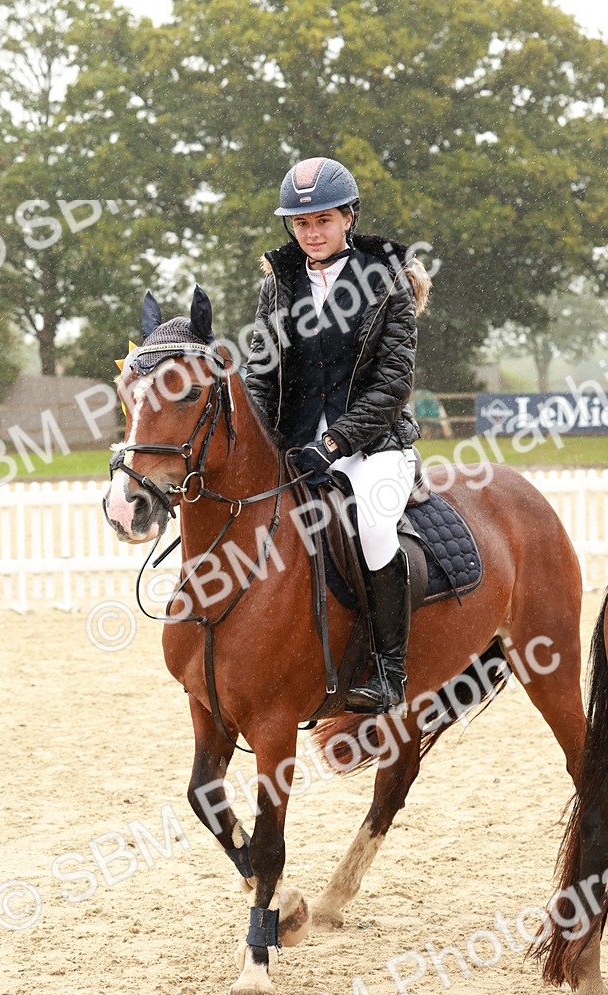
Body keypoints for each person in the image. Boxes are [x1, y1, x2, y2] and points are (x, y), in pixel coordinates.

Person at [246, 156, 430, 716]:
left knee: (372, 526)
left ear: (348, 217)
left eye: (322, 220)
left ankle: (388, 668)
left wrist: (334, 445)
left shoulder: (387, 282)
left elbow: (391, 384)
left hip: (375, 445)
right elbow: (259, 374)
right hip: (297, 447)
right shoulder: (278, 284)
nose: (311, 233)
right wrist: (263, 444)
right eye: (301, 224)